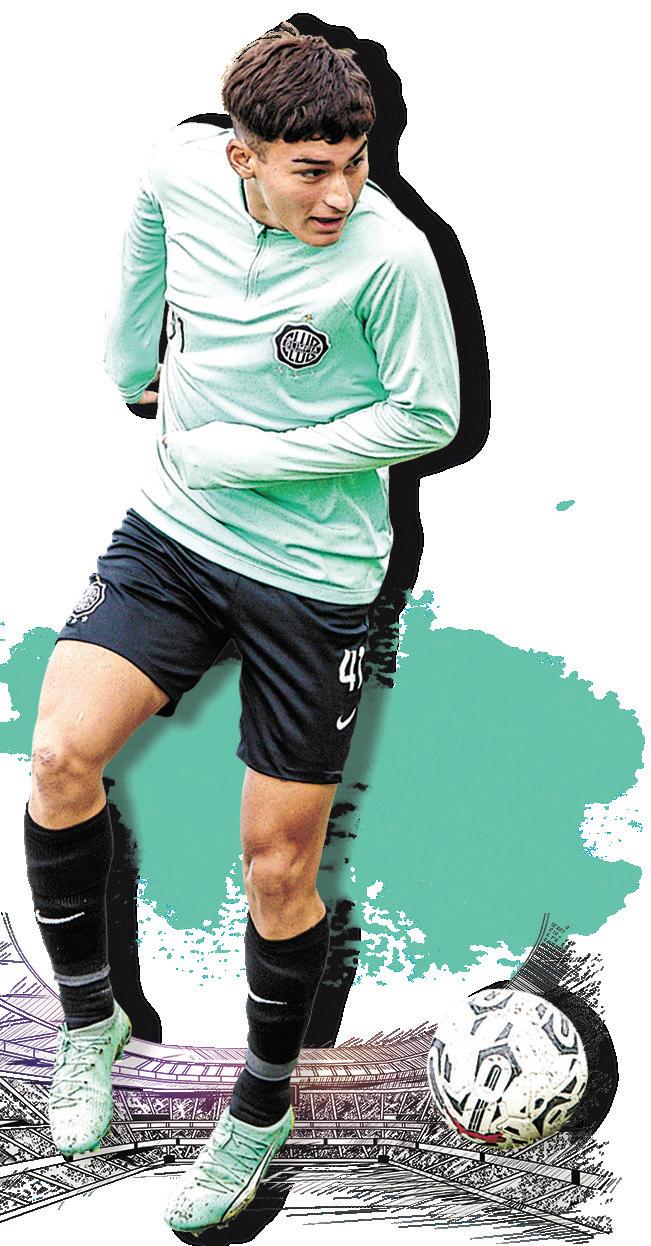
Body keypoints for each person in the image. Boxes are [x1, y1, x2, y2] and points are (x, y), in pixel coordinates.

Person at [23, 23, 459, 1234]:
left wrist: (252, 454)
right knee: (58, 755)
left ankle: (260, 1108)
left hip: (313, 578)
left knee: (275, 868)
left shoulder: (393, 259)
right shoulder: (182, 167)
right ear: (243, 156)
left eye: (355, 164)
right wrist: (131, 361)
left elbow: (430, 414)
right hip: (173, 534)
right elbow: (145, 223)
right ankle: (93, 1018)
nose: (340, 195)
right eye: (310, 170)